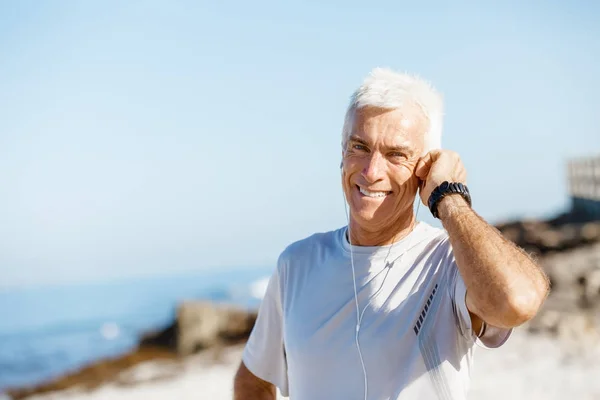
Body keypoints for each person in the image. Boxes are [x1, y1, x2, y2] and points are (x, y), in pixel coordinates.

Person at [233, 68, 550, 399]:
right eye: (359, 146)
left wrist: (449, 198)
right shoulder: (296, 264)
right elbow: (253, 380)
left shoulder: (450, 263)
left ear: (425, 167)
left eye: (396, 154)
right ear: (342, 153)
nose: (371, 172)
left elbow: (517, 301)